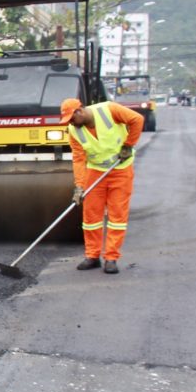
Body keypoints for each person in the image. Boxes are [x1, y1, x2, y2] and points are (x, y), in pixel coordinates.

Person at [59, 98, 144, 275]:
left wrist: (129, 145)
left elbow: (137, 120)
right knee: (91, 218)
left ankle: (111, 258)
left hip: (120, 170)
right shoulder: (74, 131)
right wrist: (79, 187)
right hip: (95, 172)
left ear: (80, 111)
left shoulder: (109, 110)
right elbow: (79, 159)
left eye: (72, 118)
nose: (71, 123)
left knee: (117, 216)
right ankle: (92, 256)